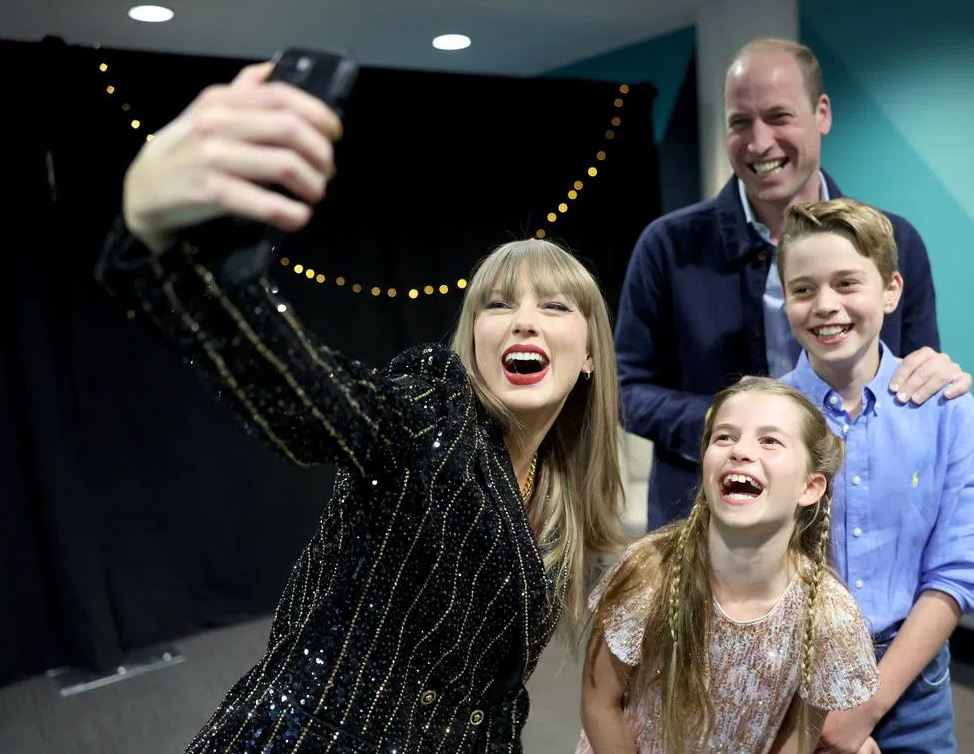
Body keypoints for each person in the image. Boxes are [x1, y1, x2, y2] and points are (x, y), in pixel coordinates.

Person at [95, 62, 626, 753]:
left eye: (553, 306)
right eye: (498, 305)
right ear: (471, 339)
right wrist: (157, 240)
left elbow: (486, 702)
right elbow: (309, 397)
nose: (523, 322)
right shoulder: (432, 410)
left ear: (589, 355)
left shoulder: (556, 497)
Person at [614, 37, 973, 530]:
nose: (759, 143)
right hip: (703, 523)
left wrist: (937, 374)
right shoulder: (666, 246)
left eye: (779, 117)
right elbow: (624, 388)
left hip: (858, 524)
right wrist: (725, 423)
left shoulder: (897, 243)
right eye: (740, 122)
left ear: (821, 113)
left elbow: (914, 377)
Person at [777, 198, 974, 754]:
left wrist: (862, 712)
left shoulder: (947, 410)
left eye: (848, 283)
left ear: (891, 290)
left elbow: (956, 575)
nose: (826, 306)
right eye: (803, 289)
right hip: (790, 681)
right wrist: (820, 714)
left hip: (913, 685)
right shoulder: (764, 413)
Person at [577, 377, 881, 754]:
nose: (739, 451)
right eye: (724, 437)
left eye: (769, 440)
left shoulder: (827, 616)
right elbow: (600, 701)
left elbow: (799, 736)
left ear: (810, 487)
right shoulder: (649, 572)